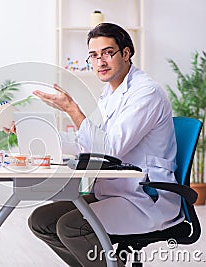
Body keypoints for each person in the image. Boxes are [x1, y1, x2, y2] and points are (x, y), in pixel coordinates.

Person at [28, 23, 183, 267]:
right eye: (94, 55)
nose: (100, 61)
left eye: (108, 53)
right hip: (112, 193)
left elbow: (109, 149)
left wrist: (73, 111)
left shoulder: (146, 93)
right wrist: (35, 132)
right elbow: (86, 144)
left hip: (144, 196)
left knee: (71, 227)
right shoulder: (109, 93)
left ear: (126, 53)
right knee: (41, 220)